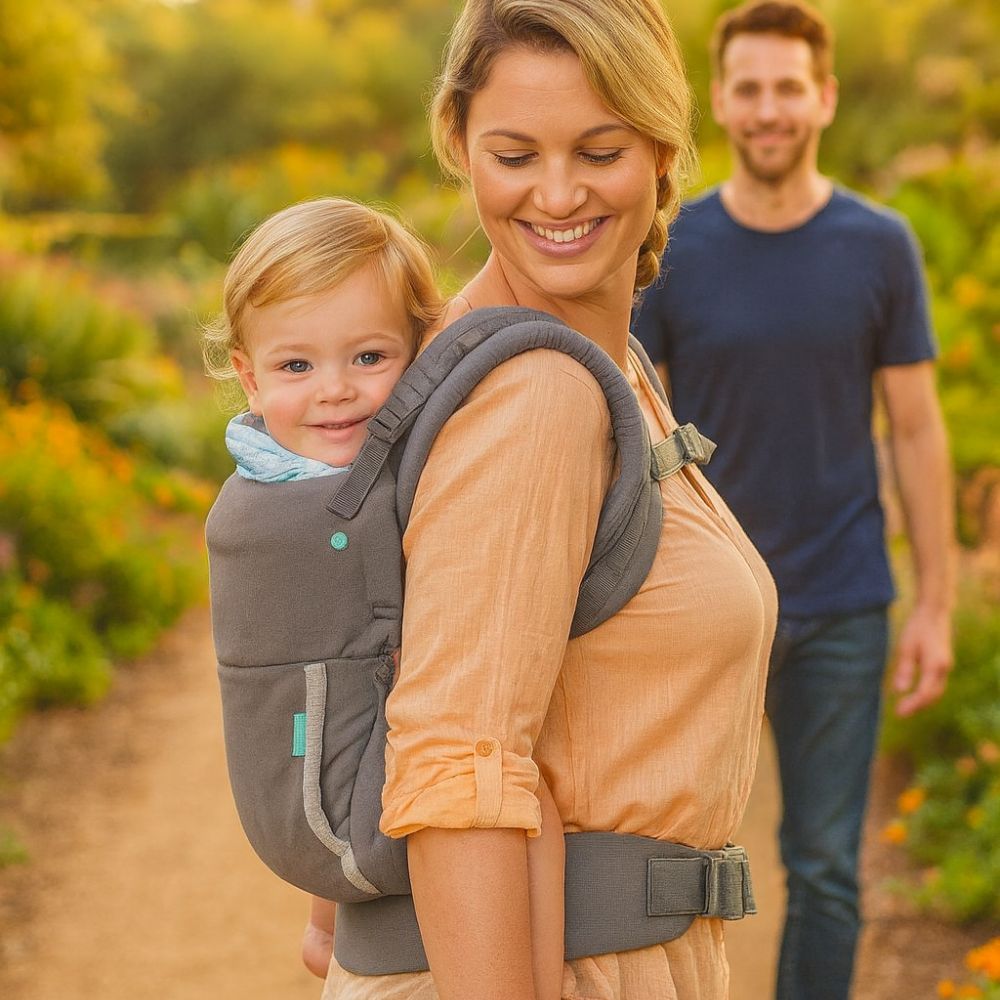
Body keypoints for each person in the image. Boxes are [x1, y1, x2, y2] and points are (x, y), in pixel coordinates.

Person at [317, 1, 777, 998]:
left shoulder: (609, 368)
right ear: (458, 143)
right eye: (514, 155)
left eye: (599, 151)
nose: (558, 194)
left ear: (662, 148)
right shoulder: (534, 396)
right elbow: (457, 768)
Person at [632, 3, 955, 998]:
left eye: (787, 87)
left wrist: (935, 603)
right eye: (748, 88)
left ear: (824, 98)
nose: (767, 109)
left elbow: (914, 428)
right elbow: (638, 425)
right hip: (705, 604)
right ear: (721, 102)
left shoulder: (880, 244)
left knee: (823, 869)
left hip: (841, 601)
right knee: (669, 860)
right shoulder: (671, 245)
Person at [202, 196, 568, 999]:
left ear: (415, 350)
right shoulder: (335, 502)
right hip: (340, 825)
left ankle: (325, 925)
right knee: (518, 794)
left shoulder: (267, 470)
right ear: (248, 377)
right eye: (297, 367)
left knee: (339, 702)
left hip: (304, 819)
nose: (335, 391)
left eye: (368, 357)